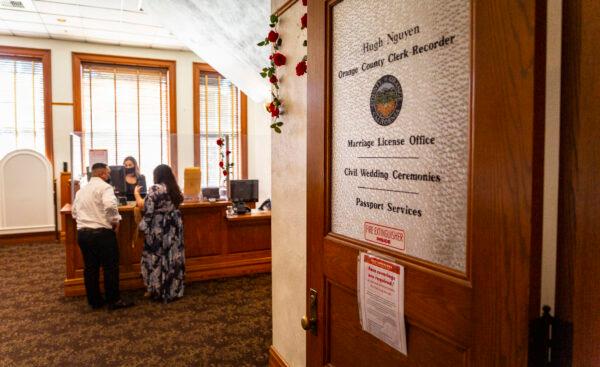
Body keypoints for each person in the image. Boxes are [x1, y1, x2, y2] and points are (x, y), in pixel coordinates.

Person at [72, 163, 133, 310]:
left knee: (90, 268)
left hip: (83, 234)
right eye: (108, 173)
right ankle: (113, 300)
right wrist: (115, 220)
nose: (109, 176)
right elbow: (110, 206)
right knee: (110, 268)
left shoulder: (81, 190)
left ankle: (94, 301)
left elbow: (74, 212)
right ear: (102, 174)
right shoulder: (105, 188)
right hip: (102, 234)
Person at [134, 164, 185, 302]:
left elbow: (147, 209)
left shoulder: (155, 189)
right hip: (173, 227)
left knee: (156, 258)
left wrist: (136, 195)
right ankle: (174, 289)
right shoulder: (175, 188)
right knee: (172, 256)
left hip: (159, 228)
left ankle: (158, 289)